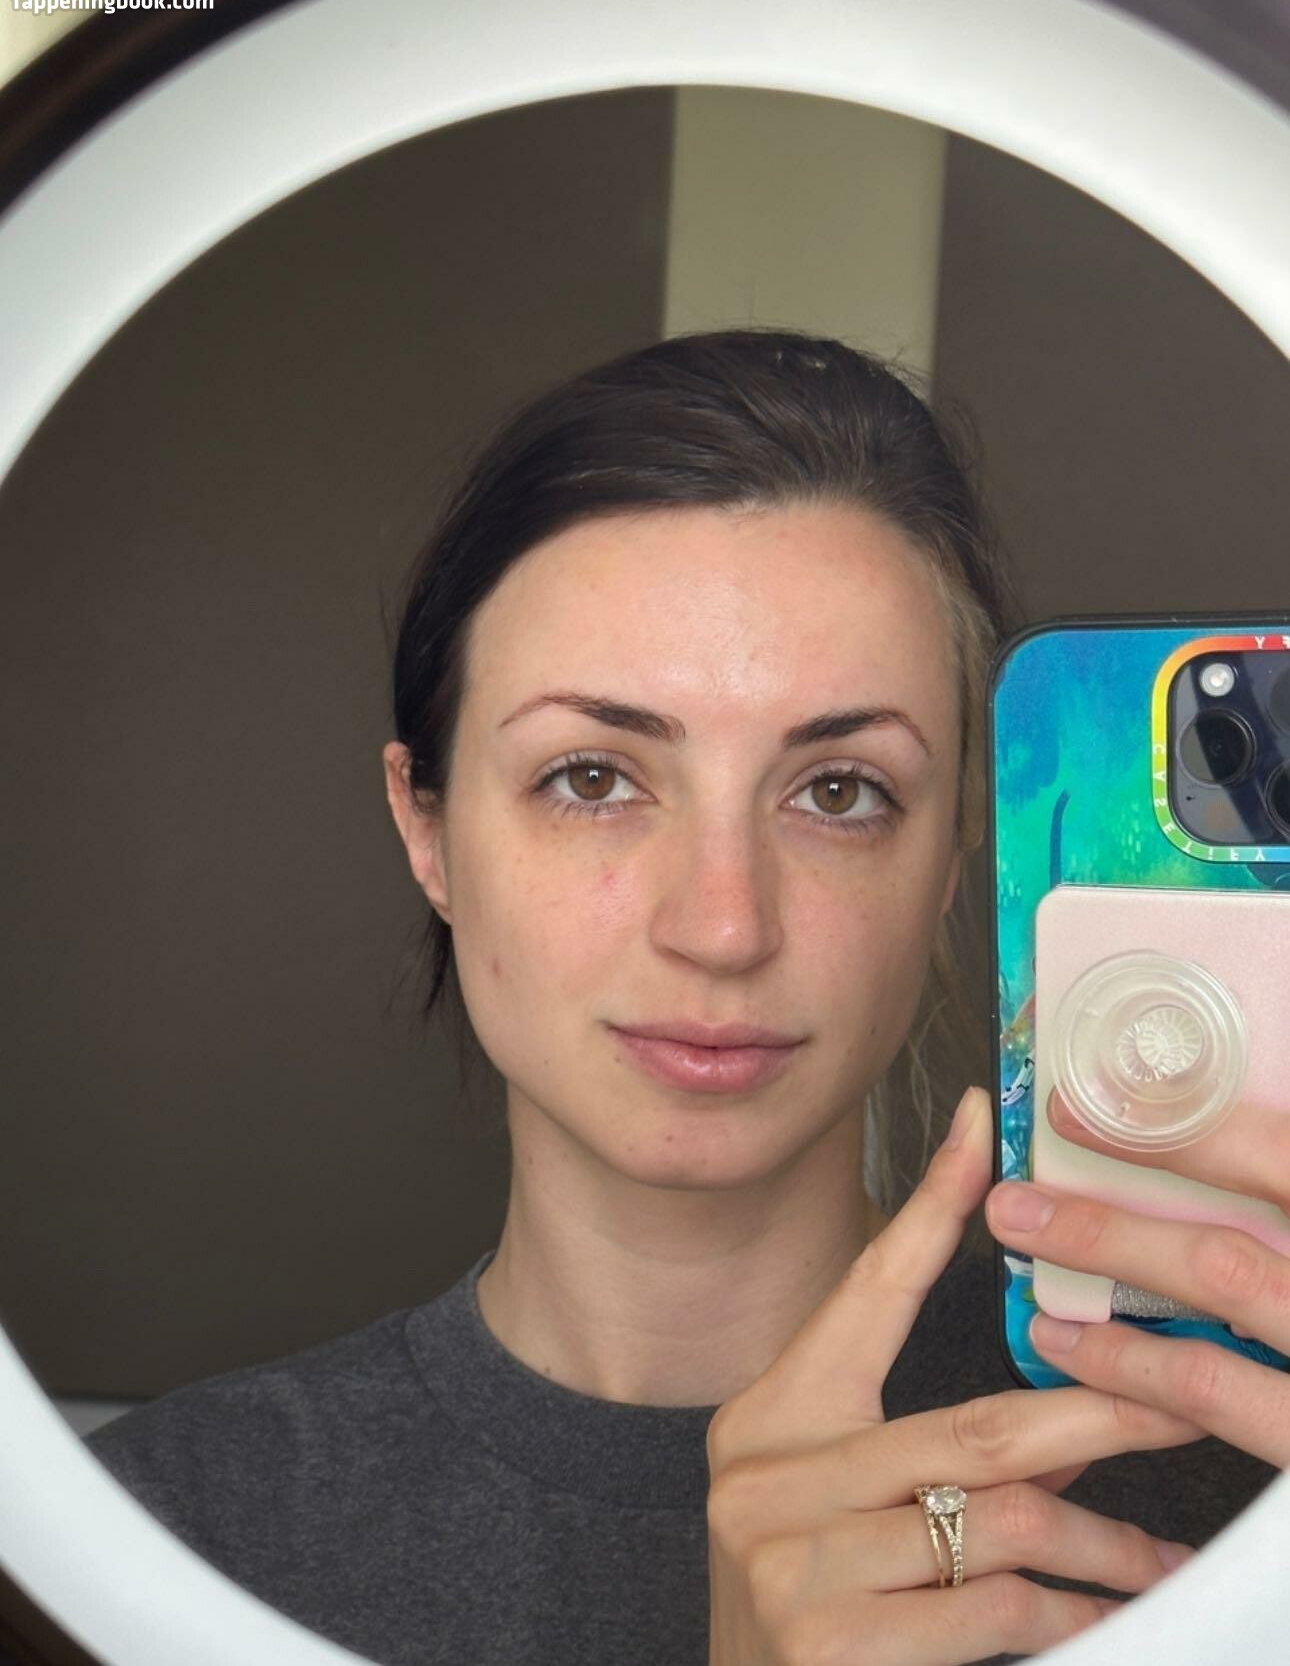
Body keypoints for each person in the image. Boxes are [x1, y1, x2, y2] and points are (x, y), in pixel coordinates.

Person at [86, 329, 1282, 1666]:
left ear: (953, 859)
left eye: (839, 792)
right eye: (592, 778)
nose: (723, 927)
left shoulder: (1241, 1504)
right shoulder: (140, 1544)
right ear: (426, 830)